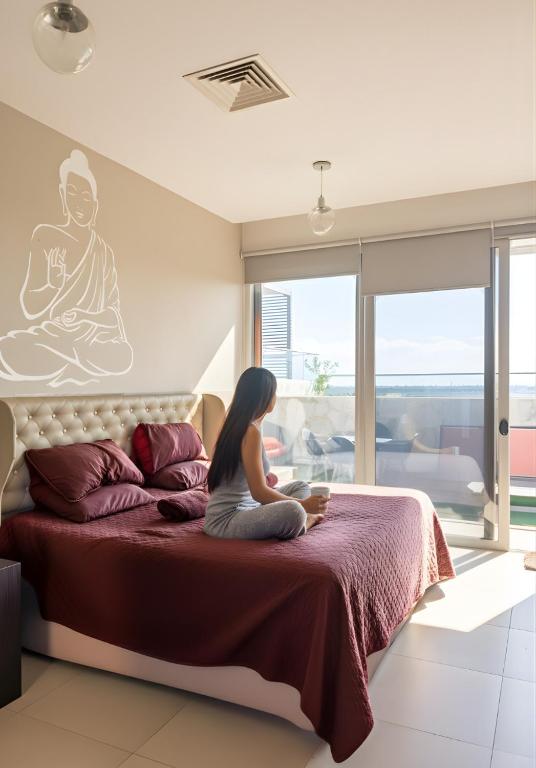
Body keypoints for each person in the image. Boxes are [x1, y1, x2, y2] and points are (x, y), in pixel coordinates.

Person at [0, 149, 133, 387]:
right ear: (63, 196)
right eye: (72, 193)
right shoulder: (46, 236)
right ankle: (71, 361)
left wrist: (84, 316)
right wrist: (53, 285)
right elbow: (30, 308)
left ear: (94, 204)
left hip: (91, 345)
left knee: (123, 356)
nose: (79, 202)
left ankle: (69, 358)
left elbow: (113, 317)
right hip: (55, 336)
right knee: (10, 351)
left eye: (85, 196)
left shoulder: (103, 252)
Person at [204, 367, 327, 540]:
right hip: (226, 520)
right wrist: (304, 505)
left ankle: (298, 517)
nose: (275, 397)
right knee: (295, 511)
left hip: (250, 506)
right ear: (263, 397)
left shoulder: (241, 425)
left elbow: (257, 491)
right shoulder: (249, 431)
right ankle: (304, 521)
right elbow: (259, 492)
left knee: (300, 486)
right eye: (274, 392)